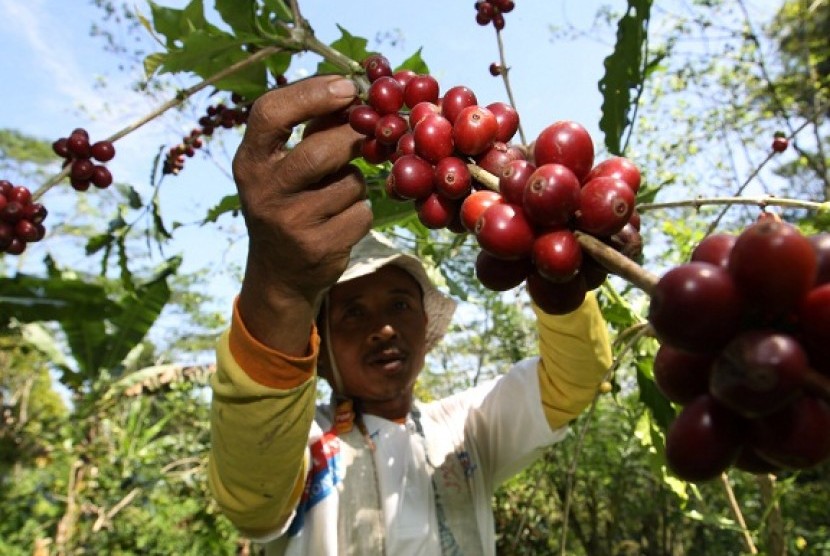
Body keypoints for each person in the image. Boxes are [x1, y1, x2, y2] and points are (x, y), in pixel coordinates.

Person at [207, 75, 613, 555]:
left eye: (400, 305)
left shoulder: (464, 431)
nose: (382, 329)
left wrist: (548, 244)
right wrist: (281, 292)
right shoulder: (307, 444)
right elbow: (253, 500)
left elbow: (574, 380)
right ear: (317, 349)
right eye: (352, 313)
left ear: (424, 324)